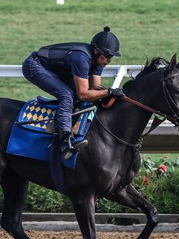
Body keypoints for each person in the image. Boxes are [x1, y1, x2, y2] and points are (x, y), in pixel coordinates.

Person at [22, 26, 124, 156]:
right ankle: (64, 140)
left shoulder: (99, 61)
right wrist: (109, 92)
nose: (109, 60)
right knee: (67, 94)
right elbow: (83, 94)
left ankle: (71, 126)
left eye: (111, 57)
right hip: (34, 66)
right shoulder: (81, 59)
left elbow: (95, 90)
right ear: (96, 50)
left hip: (52, 69)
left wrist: (107, 95)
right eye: (107, 55)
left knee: (79, 94)